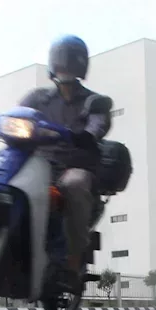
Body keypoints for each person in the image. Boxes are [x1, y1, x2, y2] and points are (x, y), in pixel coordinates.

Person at [18, 36, 112, 292]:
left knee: (74, 184)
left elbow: (99, 122)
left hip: (73, 166)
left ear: (80, 66)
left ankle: (72, 262)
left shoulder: (93, 101)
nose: (64, 68)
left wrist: (89, 133)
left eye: (69, 63)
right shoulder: (38, 99)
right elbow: (17, 116)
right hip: (39, 166)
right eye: (60, 62)